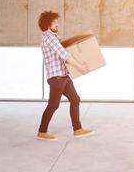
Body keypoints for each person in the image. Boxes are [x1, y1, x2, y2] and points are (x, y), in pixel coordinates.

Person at [36, 10, 94, 141]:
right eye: (54, 22)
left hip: (63, 76)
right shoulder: (49, 38)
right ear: (47, 24)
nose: (57, 24)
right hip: (56, 78)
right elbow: (65, 55)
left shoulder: (53, 37)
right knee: (53, 105)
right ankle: (42, 131)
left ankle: (78, 129)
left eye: (57, 21)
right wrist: (80, 67)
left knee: (75, 99)